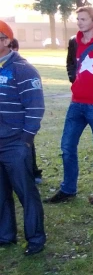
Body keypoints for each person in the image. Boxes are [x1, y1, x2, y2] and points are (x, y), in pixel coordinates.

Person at [47, 6, 93, 205]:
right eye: (78, 19)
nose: (79, 22)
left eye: (83, 19)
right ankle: (68, 189)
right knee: (67, 146)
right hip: (76, 104)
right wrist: (75, 80)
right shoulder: (74, 42)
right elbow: (71, 63)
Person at [0, 21, 46, 255]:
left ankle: (36, 239)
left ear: (6, 41)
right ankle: (5, 236)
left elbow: (36, 108)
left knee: (26, 192)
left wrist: (25, 140)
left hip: (15, 143)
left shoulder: (23, 69)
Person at [9, 39, 43, 184]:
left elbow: (35, 106)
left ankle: (32, 173)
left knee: (26, 145)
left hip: (19, 124)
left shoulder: (24, 69)